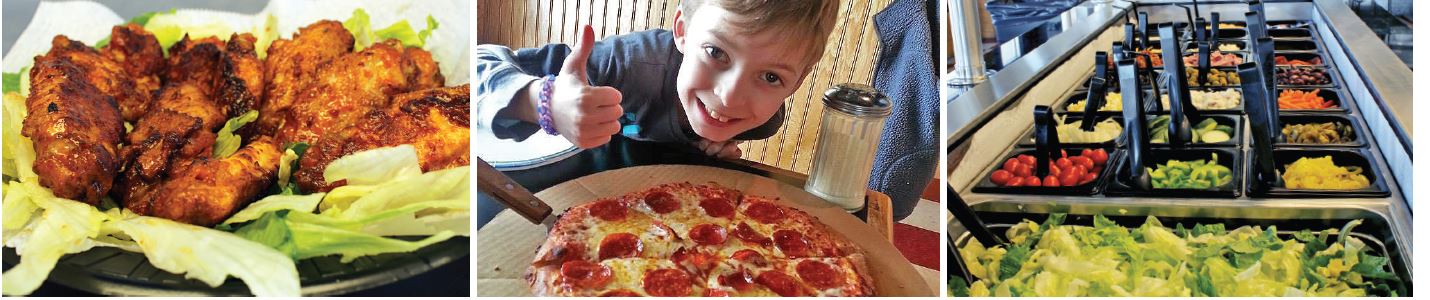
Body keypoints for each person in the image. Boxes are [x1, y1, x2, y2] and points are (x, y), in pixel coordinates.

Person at [475, 0, 840, 159]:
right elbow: (474, 69)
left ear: (798, 82)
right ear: (682, 30)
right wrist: (544, 101)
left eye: (770, 76)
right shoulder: (622, 65)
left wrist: (703, 147)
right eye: (716, 53)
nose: (729, 96)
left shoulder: (763, 122)